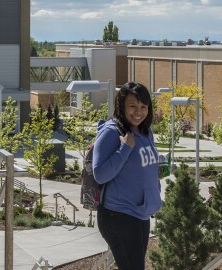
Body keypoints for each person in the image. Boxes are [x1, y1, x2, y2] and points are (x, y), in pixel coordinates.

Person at [92, 81, 162, 270]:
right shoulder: (111, 132)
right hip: (118, 215)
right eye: (132, 106)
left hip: (141, 213)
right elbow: (99, 174)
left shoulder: (145, 132)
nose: (138, 111)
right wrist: (124, 148)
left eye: (143, 106)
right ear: (121, 106)